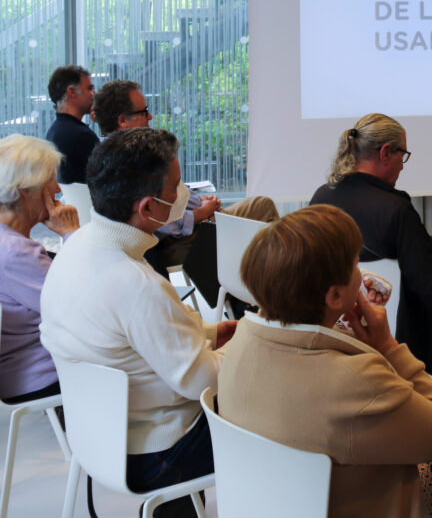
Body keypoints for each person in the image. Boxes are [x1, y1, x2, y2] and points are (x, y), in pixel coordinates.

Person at [218, 204, 432, 518]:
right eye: (356, 263)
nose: (360, 274)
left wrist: (336, 324)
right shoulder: (356, 379)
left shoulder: (242, 339)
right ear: (334, 296)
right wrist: (387, 346)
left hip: (270, 505)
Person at [40, 128, 236, 517]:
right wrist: (249, 345)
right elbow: (203, 382)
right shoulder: (137, 284)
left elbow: (133, 338)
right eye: (176, 186)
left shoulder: (77, 246)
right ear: (148, 208)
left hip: (96, 436)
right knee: (280, 403)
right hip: (157, 452)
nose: (183, 194)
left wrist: (211, 334)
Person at [310, 113, 432, 377]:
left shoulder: (322, 196)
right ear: (385, 152)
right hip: (394, 338)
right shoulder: (396, 209)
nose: (402, 165)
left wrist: (428, 246)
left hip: (334, 327)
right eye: (403, 155)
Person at [91, 79, 279, 303]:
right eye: (143, 112)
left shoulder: (113, 157)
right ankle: (272, 291)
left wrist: (197, 202)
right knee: (262, 211)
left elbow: (165, 200)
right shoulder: (128, 161)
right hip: (184, 238)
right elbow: (157, 218)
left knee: (259, 213)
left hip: (192, 225)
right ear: (122, 120)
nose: (150, 116)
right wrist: (201, 212)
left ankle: (260, 291)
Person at [0, 135, 79, 403]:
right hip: (44, 372)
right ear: (26, 190)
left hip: (19, 370)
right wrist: (72, 234)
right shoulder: (15, 252)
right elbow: (86, 308)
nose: (57, 189)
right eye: (50, 181)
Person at [44, 64, 98, 184]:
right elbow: (113, 177)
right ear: (72, 91)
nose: (94, 94)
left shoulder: (54, 132)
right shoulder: (82, 136)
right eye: (89, 89)